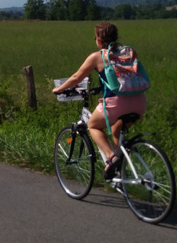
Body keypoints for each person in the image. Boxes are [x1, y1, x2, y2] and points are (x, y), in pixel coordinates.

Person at [52, 21, 148, 180]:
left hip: (117, 104)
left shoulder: (98, 57)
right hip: (139, 102)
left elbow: (77, 77)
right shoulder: (128, 52)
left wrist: (59, 89)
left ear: (98, 40)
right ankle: (123, 172)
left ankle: (112, 158)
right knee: (116, 130)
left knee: (93, 126)